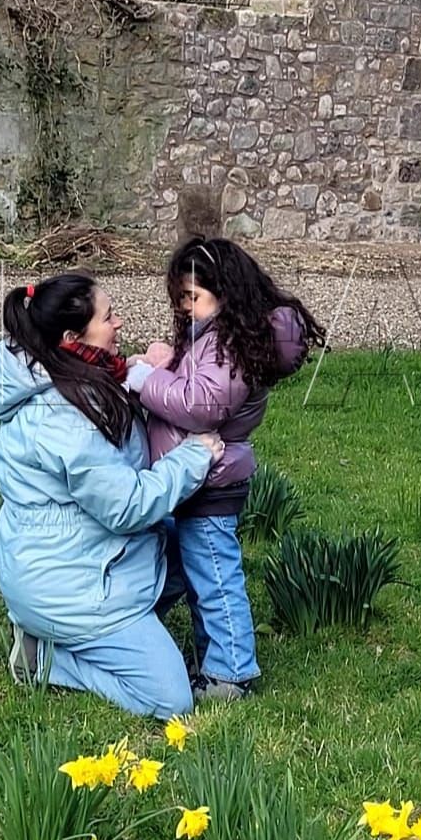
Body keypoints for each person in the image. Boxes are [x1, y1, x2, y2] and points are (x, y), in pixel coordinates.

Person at [0, 273, 224, 719]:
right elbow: (126, 506)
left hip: (75, 559)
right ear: (73, 337)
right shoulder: (62, 418)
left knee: (194, 545)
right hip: (67, 586)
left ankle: (103, 637)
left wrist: (154, 373)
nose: (119, 323)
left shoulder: (68, 375)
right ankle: (48, 660)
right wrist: (193, 458)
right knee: (171, 699)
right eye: (109, 317)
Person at [128, 237, 325, 702]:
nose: (185, 308)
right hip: (196, 478)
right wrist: (165, 365)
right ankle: (200, 657)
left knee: (215, 577)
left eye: (192, 297)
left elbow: (202, 406)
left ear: (225, 291)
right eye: (180, 298)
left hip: (210, 484)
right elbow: (196, 387)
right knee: (192, 571)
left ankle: (231, 672)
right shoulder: (220, 338)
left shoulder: (229, 345)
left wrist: (147, 380)